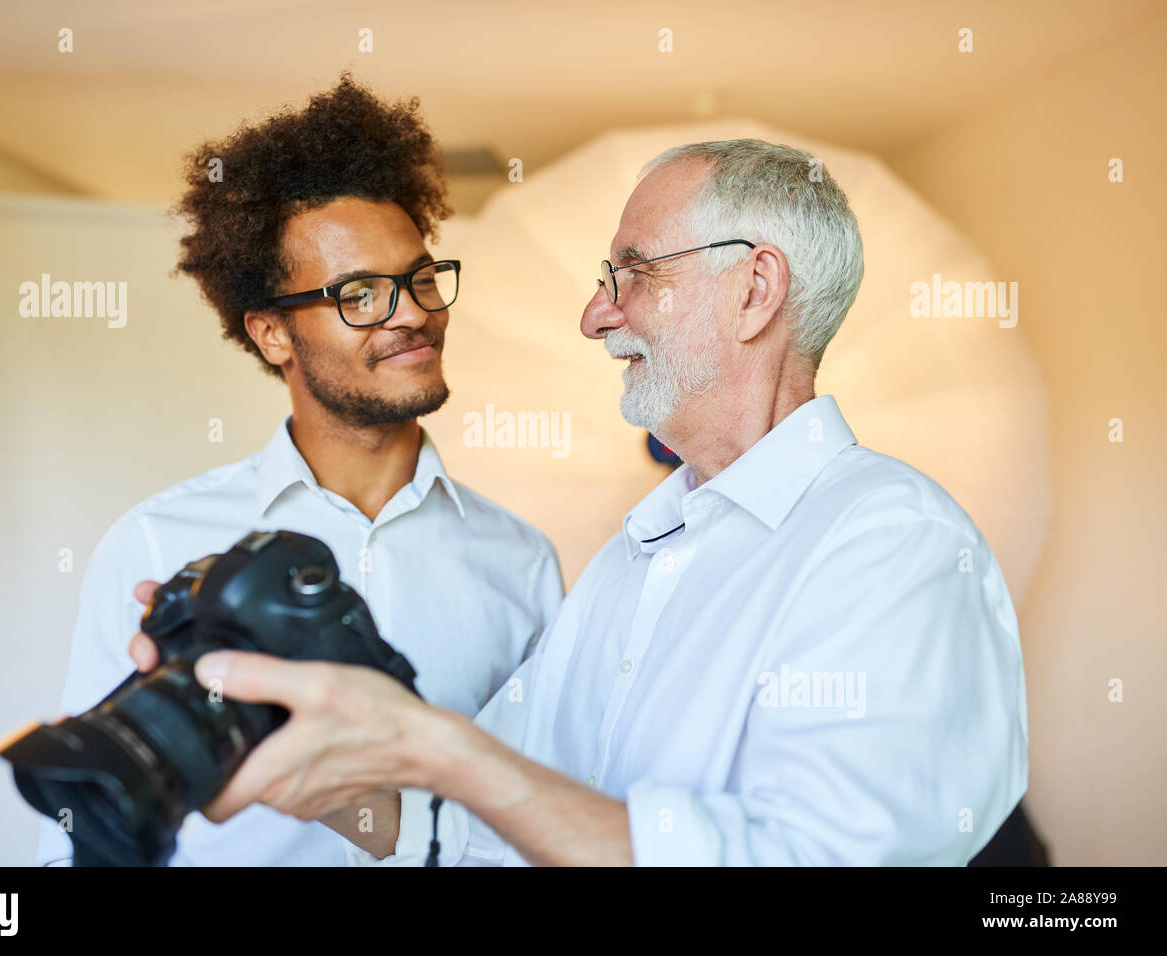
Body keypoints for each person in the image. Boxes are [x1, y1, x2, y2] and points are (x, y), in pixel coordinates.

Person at [128, 139, 1029, 865]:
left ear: (755, 290)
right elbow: (475, 831)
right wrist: (295, 748)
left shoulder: (891, 544)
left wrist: (440, 750)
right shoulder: (629, 565)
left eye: (632, 273)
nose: (595, 315)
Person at [36, 75, 564, 866]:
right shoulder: (156, 545)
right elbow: (83, 825)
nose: (412, 313)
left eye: (420, 277)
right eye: (359, 294)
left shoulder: (521, 564)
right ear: (272, 335)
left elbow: (544, 818)